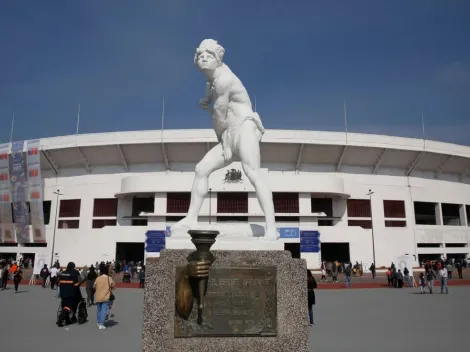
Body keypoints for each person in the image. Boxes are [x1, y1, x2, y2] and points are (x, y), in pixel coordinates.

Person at [173, 39, 277, 240]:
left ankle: (271, 228)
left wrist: (225, 141)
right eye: (200, 55)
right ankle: (191, 218)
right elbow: (212, 98)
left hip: (244, 127)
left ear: (218, 59)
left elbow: (220, 114)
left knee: (253, 173)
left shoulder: (223, 79)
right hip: (229, 134)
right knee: (201, 169)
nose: (203, 58)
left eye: (209, 55)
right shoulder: (212, 82)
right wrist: (207, 100)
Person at [57, 262, 82, 326]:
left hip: (62, 293)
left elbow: (58, 283)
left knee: (64, 305)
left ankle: (67, 319)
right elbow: (76, 284)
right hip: (71, 293)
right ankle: (60, 319)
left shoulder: (62, 273)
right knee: (68, 307)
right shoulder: (73, 274)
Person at [94, 264, 115, 330]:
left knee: (98, 310)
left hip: (98, 297)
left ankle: (98, 322)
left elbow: (94, 286)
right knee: (104, 310)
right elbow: (113, 286)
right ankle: (101, 324)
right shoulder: (109, 278)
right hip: (106, 297)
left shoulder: (98, 278)